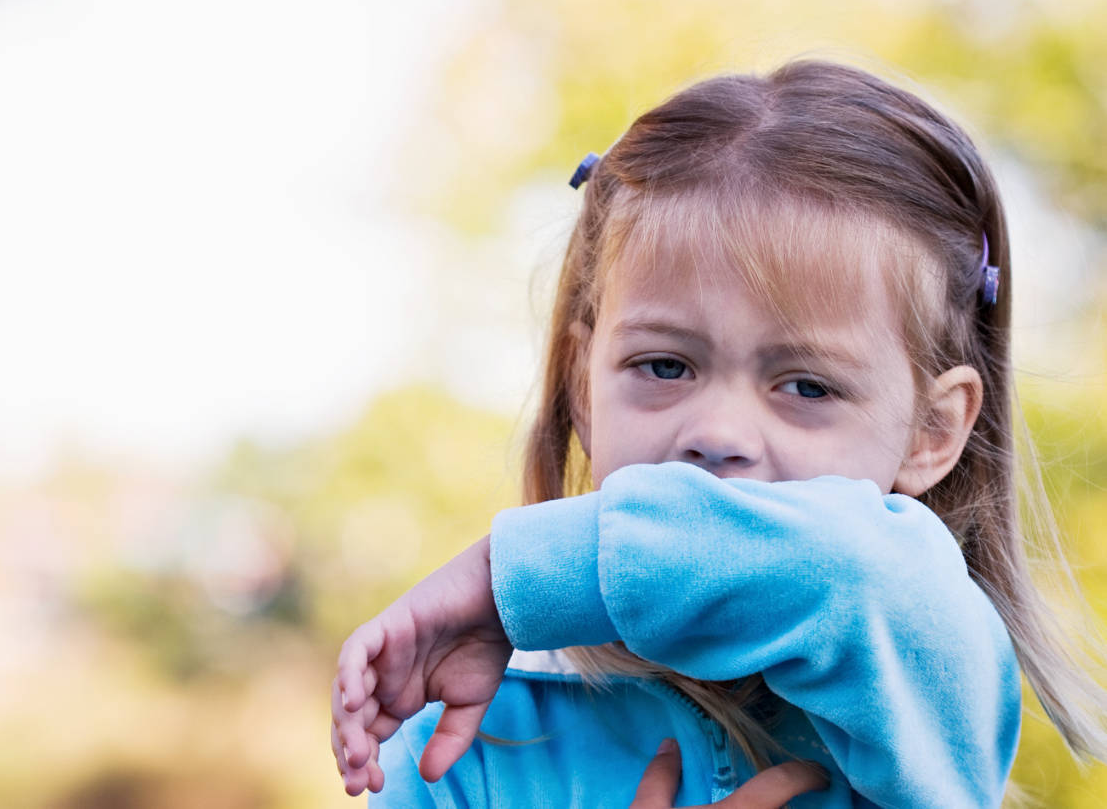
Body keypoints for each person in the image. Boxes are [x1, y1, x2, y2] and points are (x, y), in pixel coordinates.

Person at [330, 59, 1107, 807]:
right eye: (664, 366)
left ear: (931, 432)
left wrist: (514, 578)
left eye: (807, 385)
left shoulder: (920, 659)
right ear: (583, 387)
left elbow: (853, 567)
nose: (718, 432)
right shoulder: (468, 738)